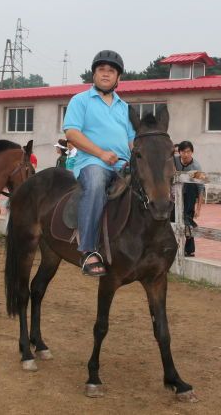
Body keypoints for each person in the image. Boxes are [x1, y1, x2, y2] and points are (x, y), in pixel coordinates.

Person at [63, 50, 135, 277]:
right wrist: (101, 153)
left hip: (122, 165)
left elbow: (133, 141)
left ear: (118, 78)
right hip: (92, 161)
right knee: (95, 184)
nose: (106, 74)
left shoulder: (125, 108)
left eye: (111, 71)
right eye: (101, 70)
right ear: (93, 75)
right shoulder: (80, 100)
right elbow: (72, 133)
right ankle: (87, 249)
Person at [174, 140, 205, 257]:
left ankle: (189, 249)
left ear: (192, 152)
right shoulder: (174, 160)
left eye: (188, 152)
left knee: (187, 218)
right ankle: (174, 248)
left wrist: (199, 209)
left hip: (189, 197)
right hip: (175, 196)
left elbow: (201, 188)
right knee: (174, 220)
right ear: (179, 152)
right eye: (183, 151)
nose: (186, 154)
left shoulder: (196, 166)